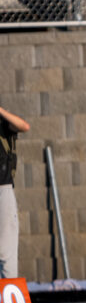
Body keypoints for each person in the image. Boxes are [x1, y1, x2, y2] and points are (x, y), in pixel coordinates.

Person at [0, 106, 30, 278]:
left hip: (2, 190)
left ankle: (9, 299)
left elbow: (24, 126)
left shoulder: (3, 124)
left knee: (6, 253)